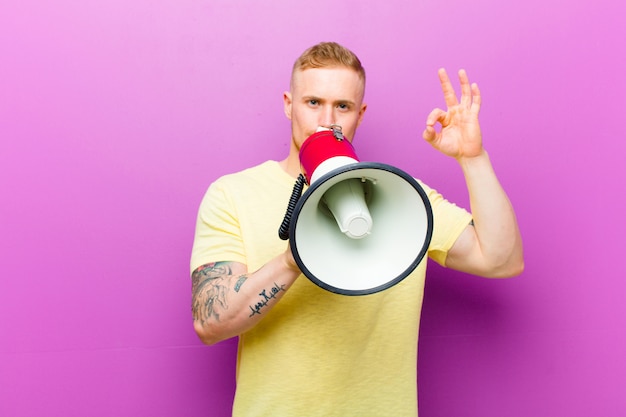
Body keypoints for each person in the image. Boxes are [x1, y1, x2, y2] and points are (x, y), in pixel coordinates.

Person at [190, 41, 523, 417]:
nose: (327, 120)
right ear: (289, 104)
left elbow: (500, 259)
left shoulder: (403, 198)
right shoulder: (233, 195)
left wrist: (473, 159)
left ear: (360, 114)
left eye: (342, 106)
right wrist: (295, 256)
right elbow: (210, 323)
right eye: (313, 102)